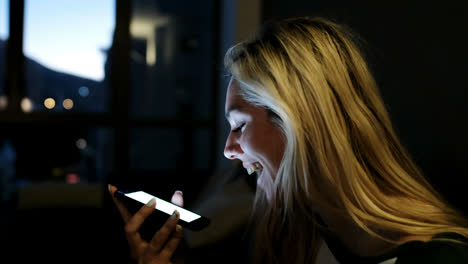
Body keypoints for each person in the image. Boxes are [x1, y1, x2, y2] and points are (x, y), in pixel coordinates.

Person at [109, 17, 468, 263]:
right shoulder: (297, 238)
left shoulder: (441, 257)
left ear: (297, 122)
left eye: (239, 126)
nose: (228, 150)